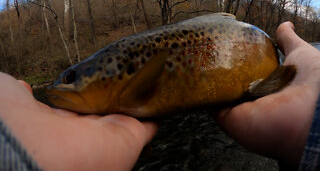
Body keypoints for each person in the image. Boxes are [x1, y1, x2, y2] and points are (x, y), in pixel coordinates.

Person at [0, 21, 319, 170]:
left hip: (257, 48)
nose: (59, 88)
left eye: (70, 79)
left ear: (117, 70)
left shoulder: (131, 65)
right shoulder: (126, 70)